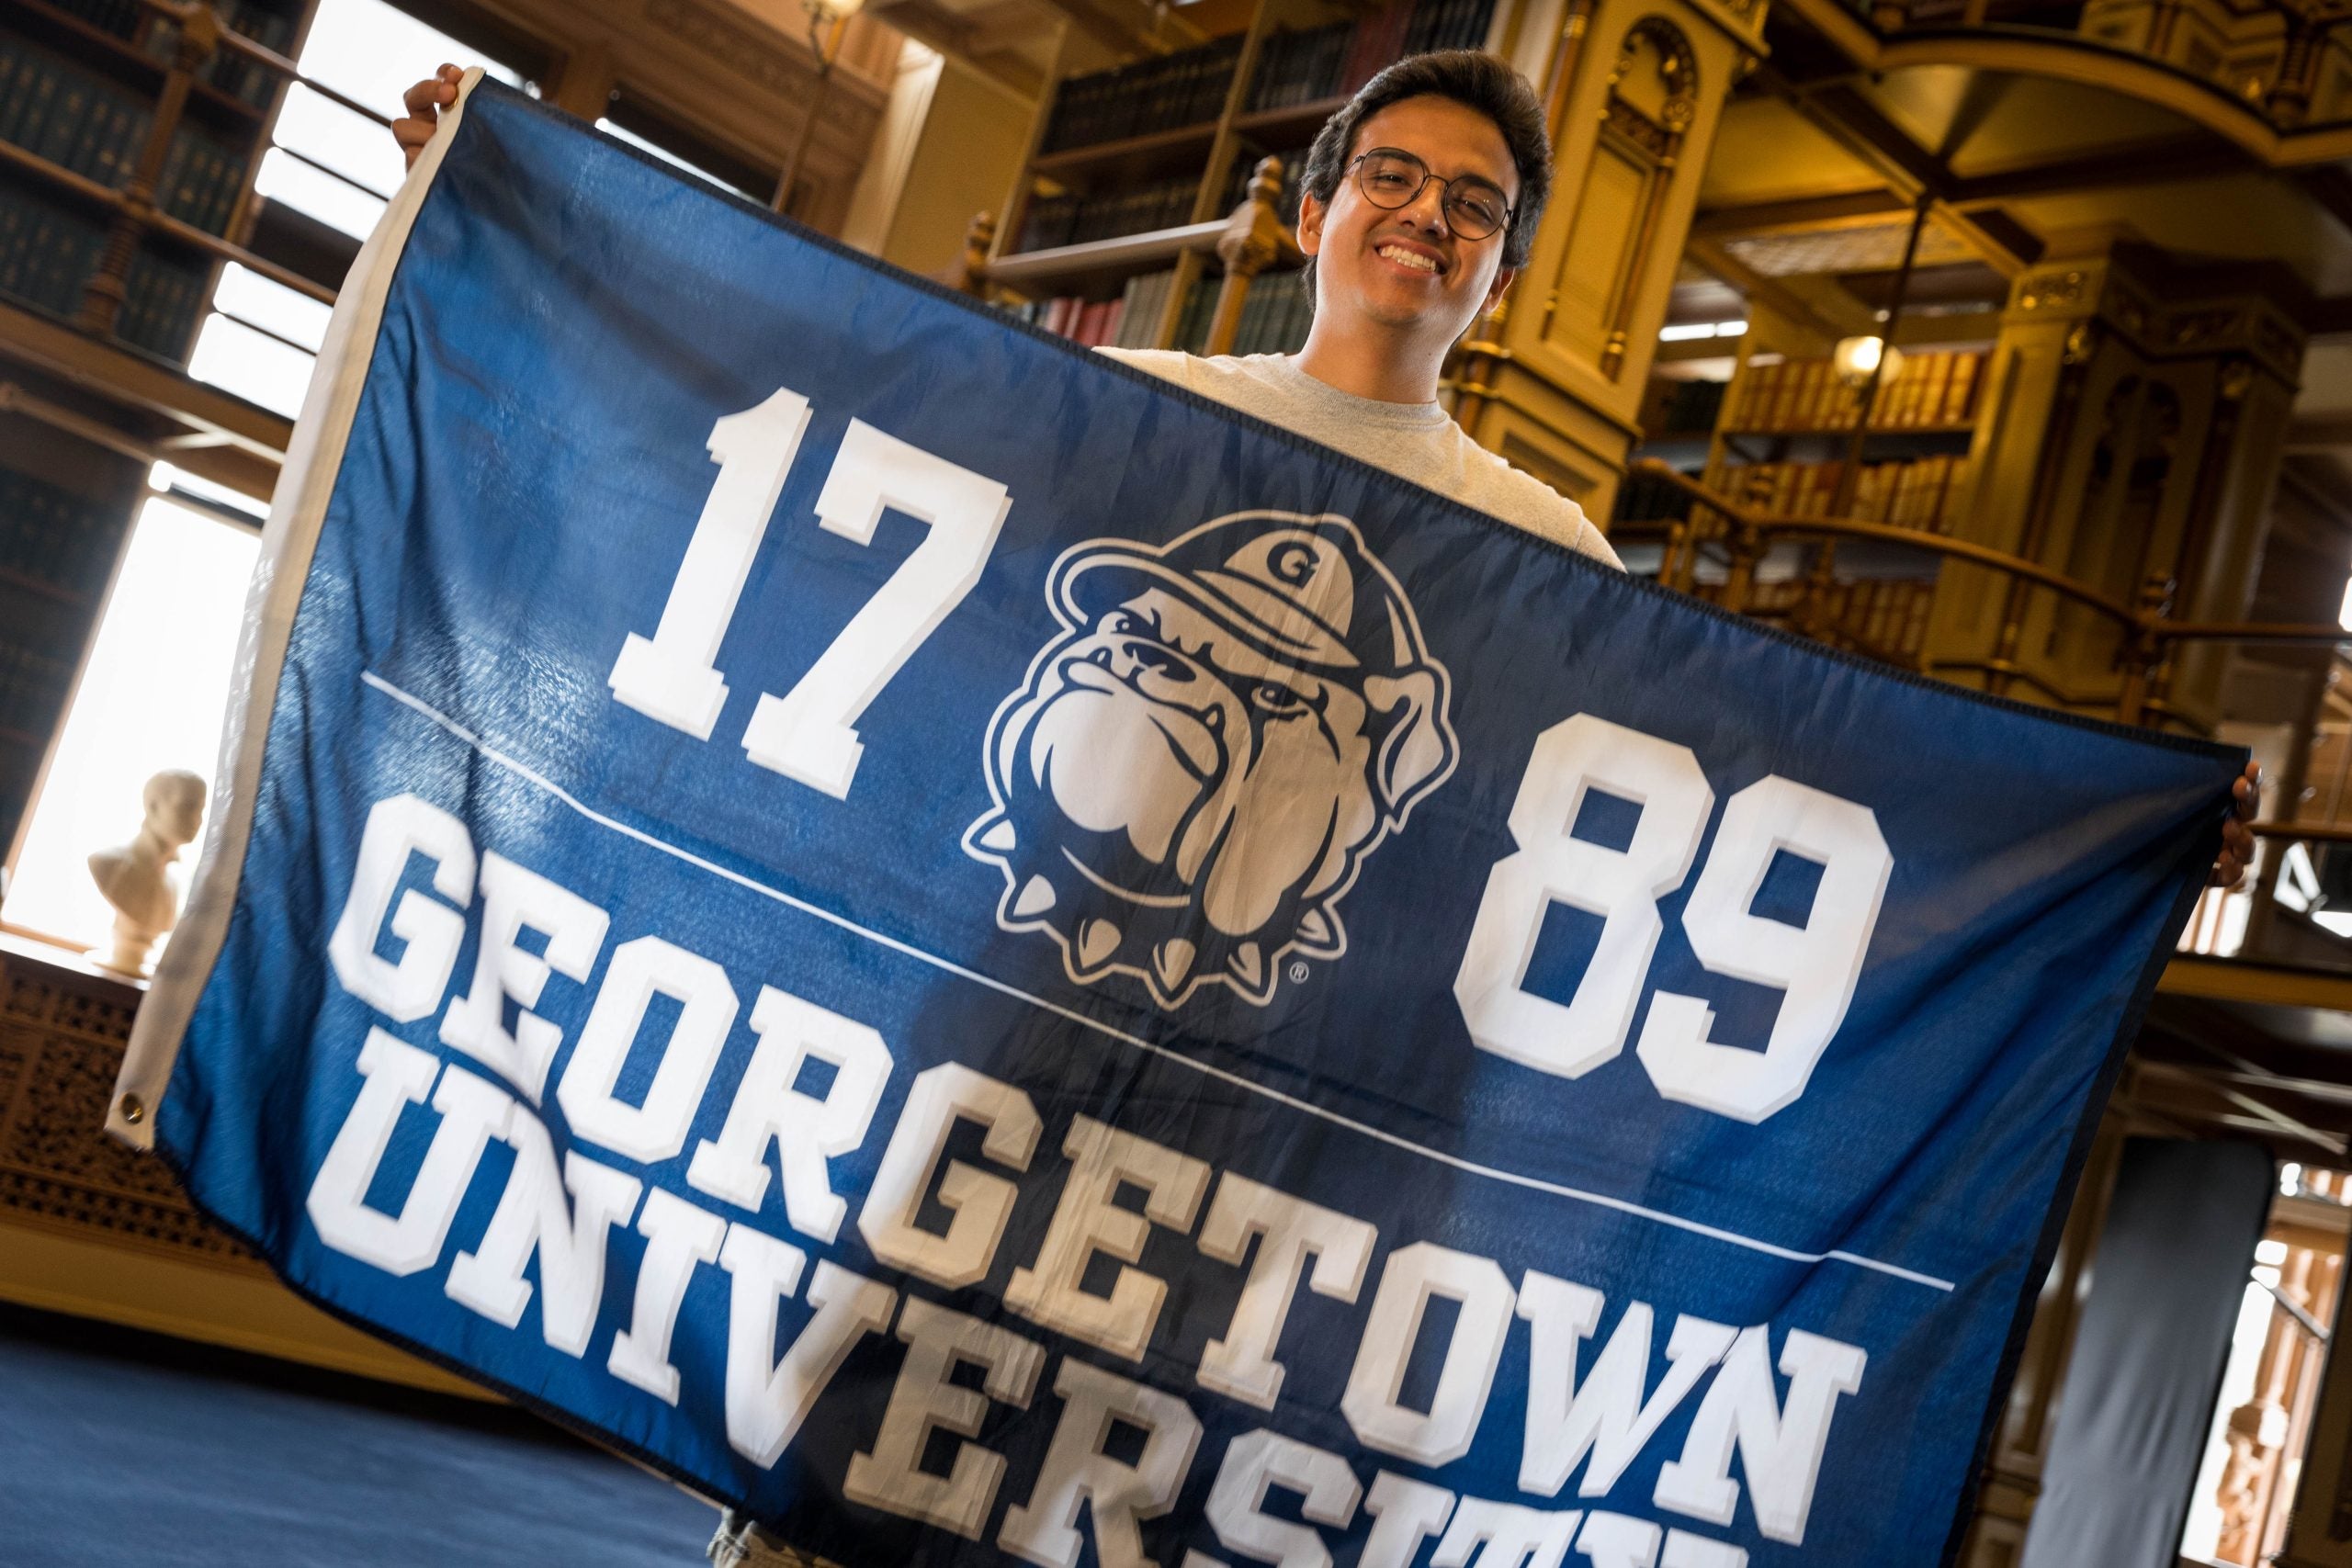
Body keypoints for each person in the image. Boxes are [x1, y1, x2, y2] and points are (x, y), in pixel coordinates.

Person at [389, 51, 2258, 1560]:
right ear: (1313, 209)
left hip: (1297, 1125)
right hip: (1006, 1034)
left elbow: (1741, 816)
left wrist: (2126, 838)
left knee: (1149, 1486)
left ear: (1502, 275)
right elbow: (773, 431)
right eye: (1396, 181)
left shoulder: (1547, 549)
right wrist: (488, 199)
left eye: (1473, 209)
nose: (1425, 221)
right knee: (847, 1420)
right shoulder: (1124, 406)